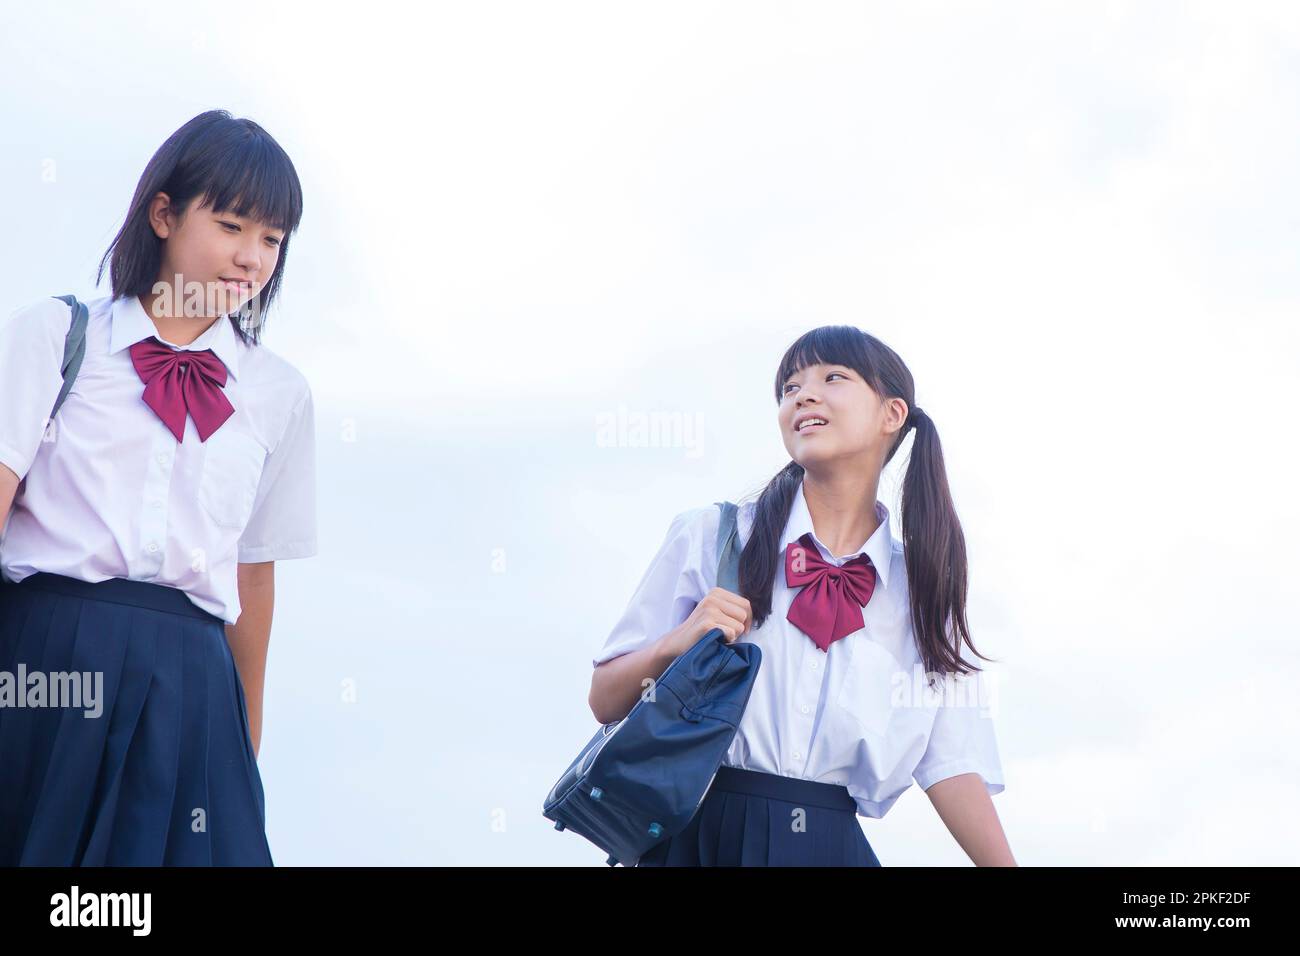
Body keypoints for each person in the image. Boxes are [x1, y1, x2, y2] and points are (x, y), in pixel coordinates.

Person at [0, 109, 316, 866]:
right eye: (233, 226)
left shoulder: (280, 394)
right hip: (46, 661)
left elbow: (253, 576)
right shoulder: (57, 335)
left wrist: (242, 746)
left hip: (192, 688)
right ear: (165, 214)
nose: (252, 258)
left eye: (272, 240)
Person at [589, 325, 1015, 866]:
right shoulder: (711, 538)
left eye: (832, 377)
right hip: (700, 840)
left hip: (830, 848)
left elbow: (951, 763)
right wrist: (674, 646)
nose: (803, 395)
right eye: (790, 387)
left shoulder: (923, 590)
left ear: (892, 414)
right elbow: (604, 698)